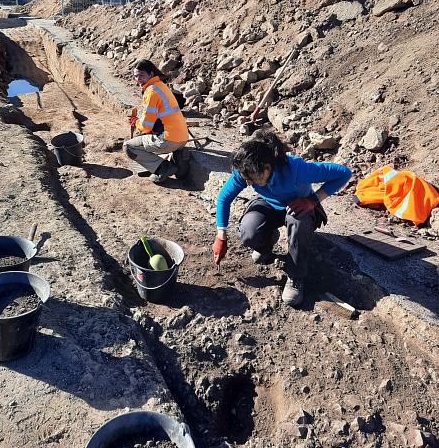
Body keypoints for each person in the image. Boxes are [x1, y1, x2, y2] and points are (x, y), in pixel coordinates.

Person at [212, 129, 352, 307]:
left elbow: (343, 173)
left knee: (298, 220)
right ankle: (266, 242)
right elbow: (224, 198)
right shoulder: (246, 171)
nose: (248, 183)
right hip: (268, 203)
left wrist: (313, 200)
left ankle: (296, 276)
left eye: (253, 179)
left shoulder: (296, 169)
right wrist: (221, 235)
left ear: (267, 168)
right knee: (248, 232)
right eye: (245, 178)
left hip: (298, 206)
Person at [123, 59, 189, 184]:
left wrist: (135, 122)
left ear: (151, 74)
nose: (138, 79)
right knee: (145, 136)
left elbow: (146, 126)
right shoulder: (161, 85)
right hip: (182, 137)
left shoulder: (151, 91)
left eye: (141, 75)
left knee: (129, 147)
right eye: (136, 76)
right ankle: (179, 161)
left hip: (169, 140)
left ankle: (163, 167)